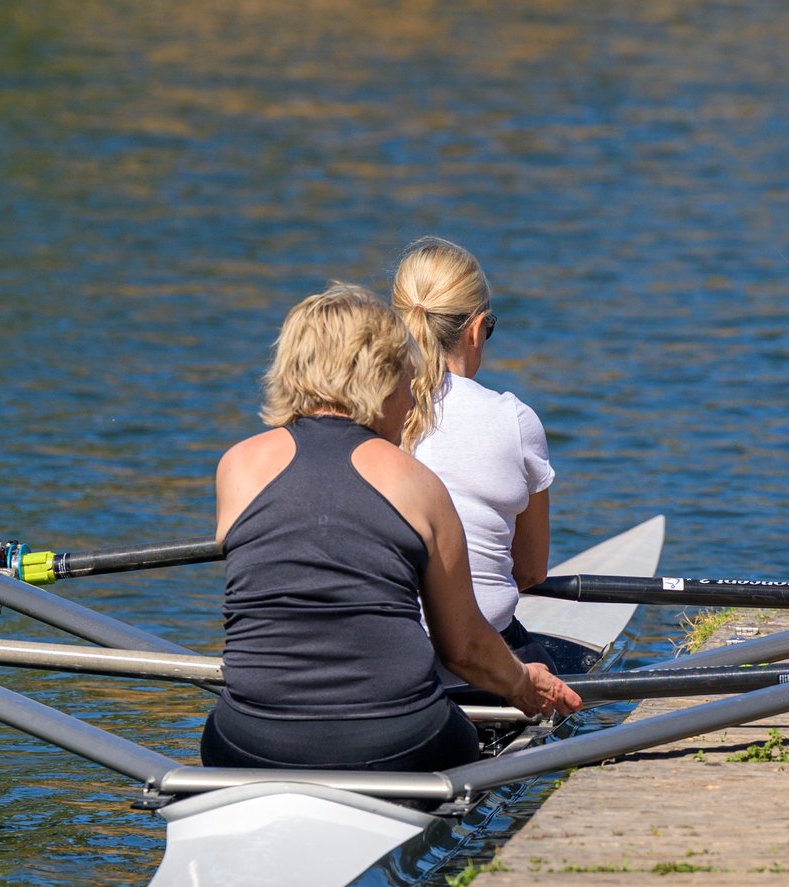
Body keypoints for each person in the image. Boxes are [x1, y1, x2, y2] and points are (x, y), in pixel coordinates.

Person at [206, 282, 581, 770]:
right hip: (393, 742)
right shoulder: (417, 484)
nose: (411, 398)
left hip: (246, 742)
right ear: (381, 378)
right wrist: (523, 685)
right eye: (406, 374)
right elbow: (465, 649)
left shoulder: (237, 467)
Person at [391, 237, 557, 667]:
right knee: (548, 660)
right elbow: (531, 572)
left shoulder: (366, 412)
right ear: (475, 328)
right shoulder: (514, 420)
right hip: (477, 655)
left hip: (381, 651)